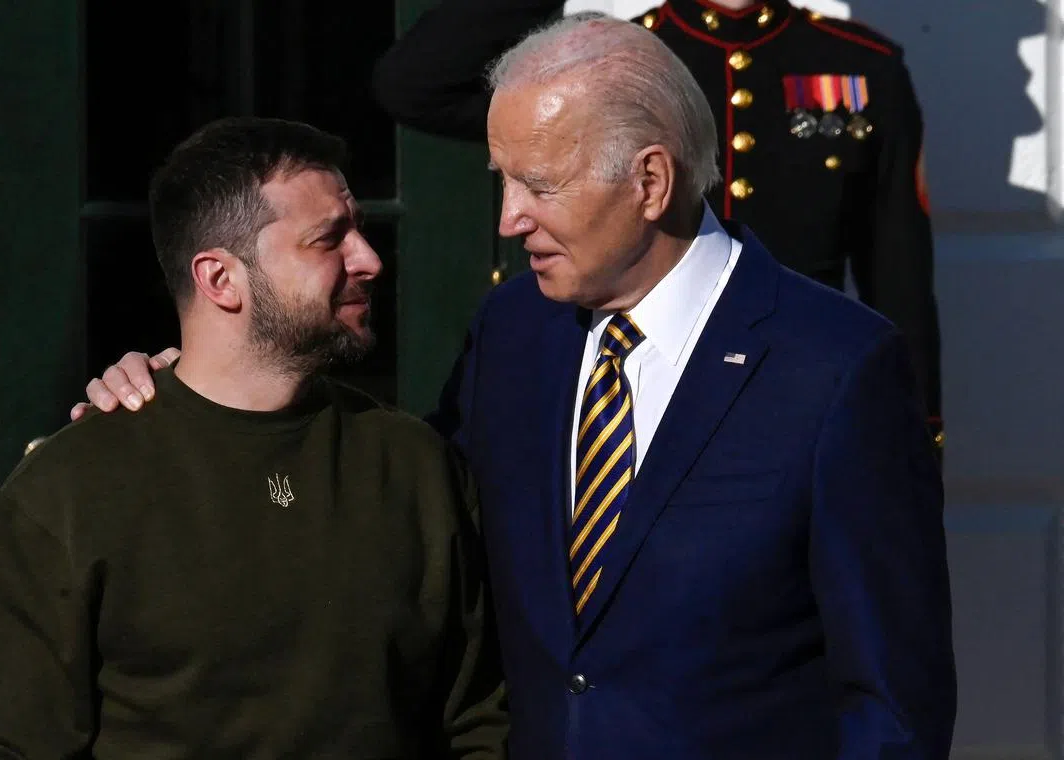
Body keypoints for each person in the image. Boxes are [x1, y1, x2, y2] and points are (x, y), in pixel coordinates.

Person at [73, 16, 956, 759]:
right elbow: (399, 511)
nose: (508, 219)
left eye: (539, 185)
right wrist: (186, 399)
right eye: (504, 182)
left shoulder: (835, 366)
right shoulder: (517, 330)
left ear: (649, 181)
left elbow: (892, 703)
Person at [0, 117, 508, 759]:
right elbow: (4, 746)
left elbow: (478, 721)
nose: (369, 260)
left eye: (360, 230)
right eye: (329, 240)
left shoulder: (415, 467)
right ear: (220, 279)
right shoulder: (69, 492)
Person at [371, 0, 946, 454]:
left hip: (796, 394)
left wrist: (914, 438)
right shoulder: (623, 63)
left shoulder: (861, 68)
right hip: (635, 382)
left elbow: (898, 277)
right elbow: (415, 84)